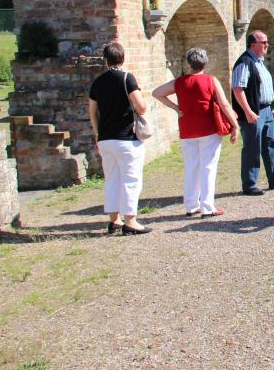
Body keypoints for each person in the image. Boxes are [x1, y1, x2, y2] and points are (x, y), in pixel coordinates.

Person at [152, 48, 239, 218]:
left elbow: (157, 93)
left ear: (189, 63)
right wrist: (235, 125)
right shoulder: (210, 81)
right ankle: (207, 207)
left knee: (191, 167)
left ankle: (191, 205)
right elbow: (224, 105)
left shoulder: (180, 82)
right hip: (208, 129)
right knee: (208, 167)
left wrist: (176, 108)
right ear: (205, 62)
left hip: (187, 129)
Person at [87, 42, 151, 235]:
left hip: (105, 138)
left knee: (112, 179)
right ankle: (130, 220)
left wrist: (98, 133)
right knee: (131, 179)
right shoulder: (126, 78)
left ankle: (114, 219)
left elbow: (92, 111)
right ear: (123, 58)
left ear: (105, 60)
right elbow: (141, 107)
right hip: (126, 137)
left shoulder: (97, 82)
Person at [231, 31, 274, 195]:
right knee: (252, 148)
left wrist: (268, 108)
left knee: (271, 144)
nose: (267, 45)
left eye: (267, 42)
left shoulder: (258, 62)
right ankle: (250, 185)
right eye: (263, 42)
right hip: (253, 112)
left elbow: (259, 89)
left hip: (265, 110)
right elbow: (238, 89)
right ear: (253, 44)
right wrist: (248, 111)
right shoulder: (245, 62)